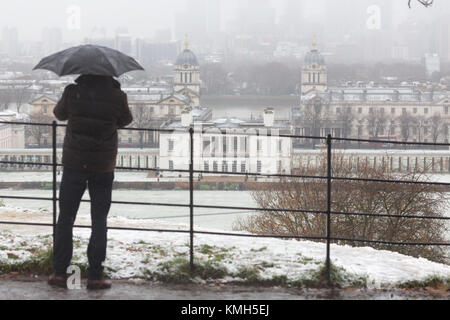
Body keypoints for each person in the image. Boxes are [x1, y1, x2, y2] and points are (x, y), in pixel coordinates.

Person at [48, 74, 133, 290]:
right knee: (99, 220)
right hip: (102, 165)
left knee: (65, 218)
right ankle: (95, 276)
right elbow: (126, 120)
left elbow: (59, 114)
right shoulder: (117, 95)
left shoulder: (72, 92)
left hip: (74, 163)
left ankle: (60, 272)